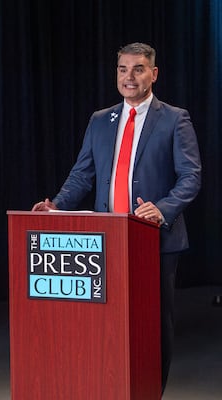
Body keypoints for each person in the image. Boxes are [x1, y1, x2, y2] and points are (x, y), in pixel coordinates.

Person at [32, 42, 202, 392]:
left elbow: (191, 177)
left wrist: (163, 208)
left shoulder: (174, 118)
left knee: (153, 323)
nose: (129, 77)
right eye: (123, 69)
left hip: (155, 239)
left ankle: (150, 391)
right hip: (105, 240)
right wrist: (57, 206)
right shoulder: (100, 120)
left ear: (154, 74)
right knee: (106, 321)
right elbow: (82, 175)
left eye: (138, 69)